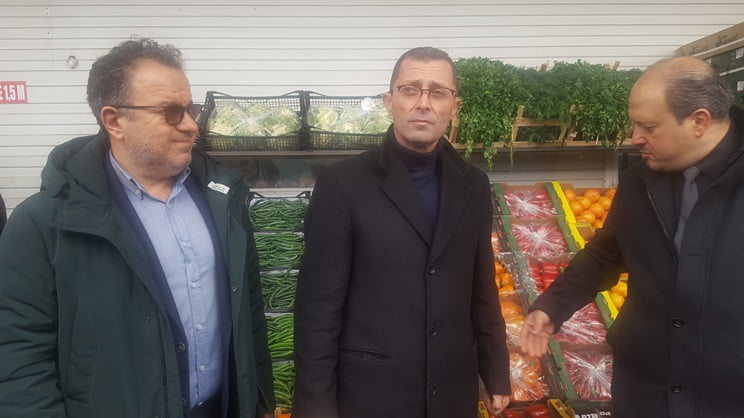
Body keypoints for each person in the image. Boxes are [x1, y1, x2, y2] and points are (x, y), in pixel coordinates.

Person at [0, 38, 274, 418]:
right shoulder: (43, 223)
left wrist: (259, 399)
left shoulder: (224, 200)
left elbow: (250, 312)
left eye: (191, 109)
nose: (191, 126)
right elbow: (18, 354)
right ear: (114, 121)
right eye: (171, 112)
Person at [293, 47, 511, 418]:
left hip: (452, 392)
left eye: (437, 92)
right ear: (389, 101)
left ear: (454, 107)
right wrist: (315, 407)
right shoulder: (342, 185)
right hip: (372, 395)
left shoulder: (473, 184)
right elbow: (317, 310)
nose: (423, 103)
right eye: (410, 90)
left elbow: (482, 288)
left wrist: (496, 370)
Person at [520, 56, 744, 418]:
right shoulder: (640, 181)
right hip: (645, 394)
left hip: (727, 398)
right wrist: (552, 306)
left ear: (699, 121)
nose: (634, 137)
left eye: (648, 127)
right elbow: (606, 253)